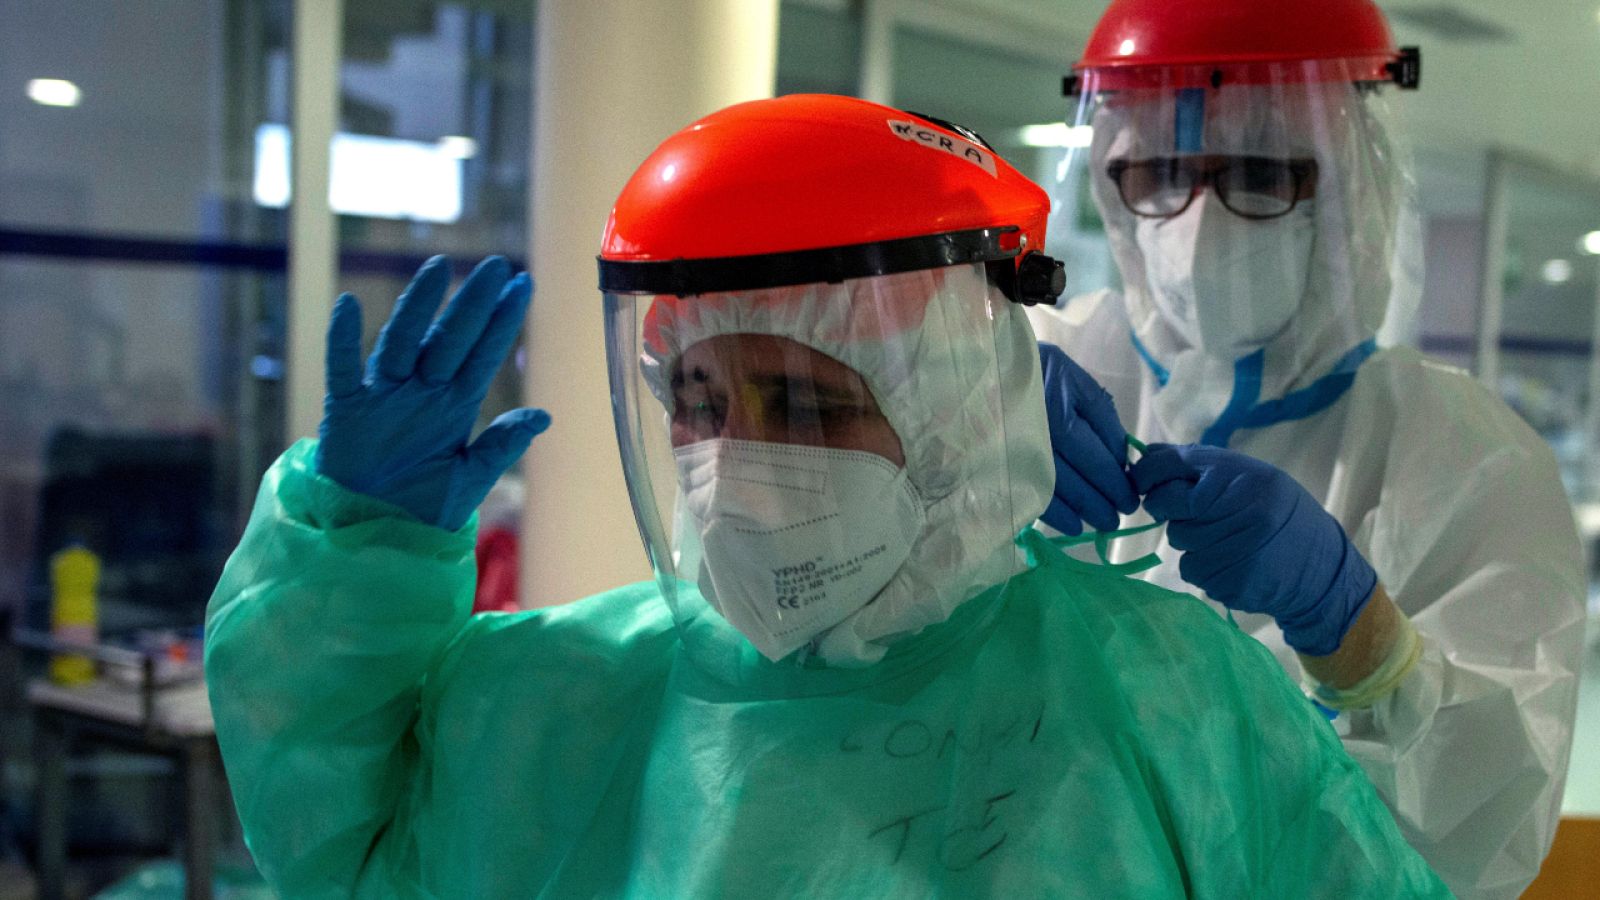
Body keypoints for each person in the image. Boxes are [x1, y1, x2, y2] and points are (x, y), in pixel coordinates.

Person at [205, 94, 1450, 897]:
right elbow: (338, 841)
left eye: (805, 405)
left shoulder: (1161, 694)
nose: (734, 464)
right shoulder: (563, 695)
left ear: (951, 411)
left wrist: (1368, 648)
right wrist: (352, 552)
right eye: (698, 403)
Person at [1027, 2, 1586, 897]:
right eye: (1160, 174)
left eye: (1260, 172)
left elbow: (1486, 826)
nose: (1198, 222)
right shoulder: (1027, 374)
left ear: (1348, 188)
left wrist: (1359, 634)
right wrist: (963, 438)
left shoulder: (1467, 459)